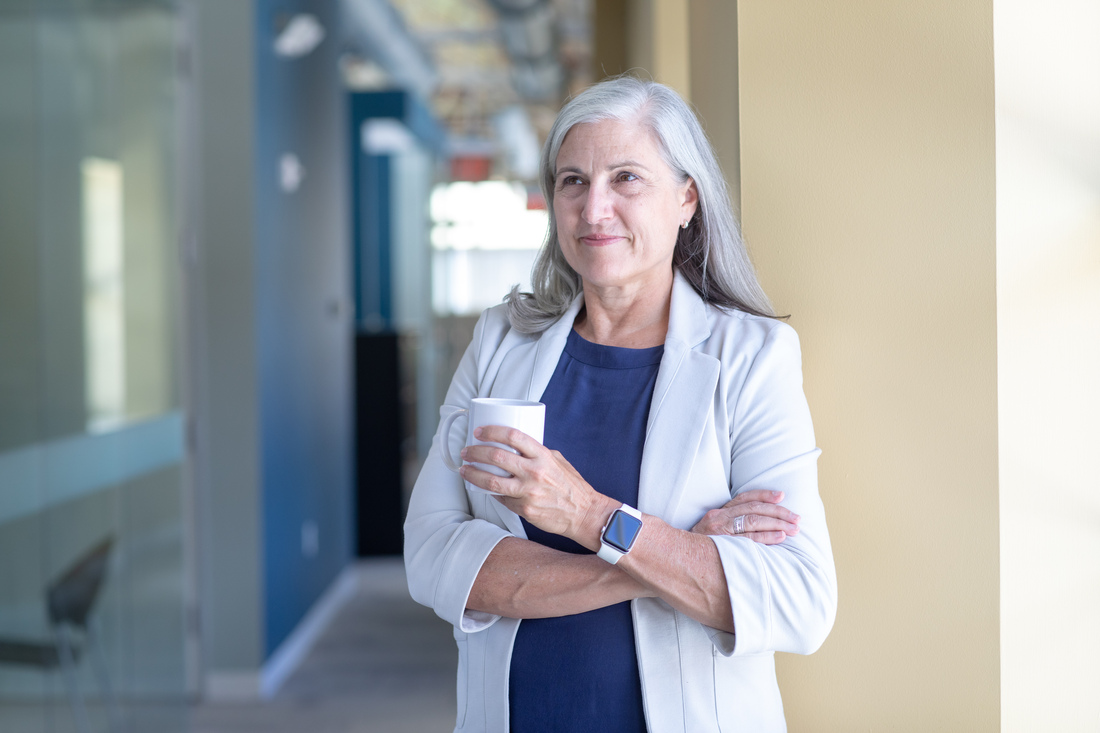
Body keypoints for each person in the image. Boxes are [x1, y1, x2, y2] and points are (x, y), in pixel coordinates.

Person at [404, 76, 837, 733]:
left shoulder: (752, 358)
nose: (593, 208)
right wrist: (664, 559)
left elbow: (798, 602)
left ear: (687, 198)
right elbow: (433, 556)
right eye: (572, 180)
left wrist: (587, 514)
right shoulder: (499, 341)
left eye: (626, 178)